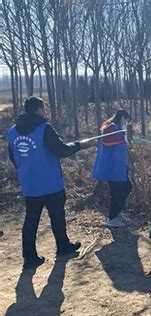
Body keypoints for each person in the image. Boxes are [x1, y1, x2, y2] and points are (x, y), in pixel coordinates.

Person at [7, 97, 84, 269]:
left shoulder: (13, 131)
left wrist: (24, 169)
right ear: (38, 109)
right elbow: (62, 150)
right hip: (50, 183)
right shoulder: (44, 128)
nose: (46, 111)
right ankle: (63, 247)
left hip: (30, 185)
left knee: (31, 219)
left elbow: (12, 155)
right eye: (44, 108)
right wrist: (78, 145)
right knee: (57, 216)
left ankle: (29, 257)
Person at [92, 109, 132, 228]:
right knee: (117, 193)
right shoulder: (111, 127)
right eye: (126, 120)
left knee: (127, 188)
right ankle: (112, 218)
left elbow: (124, 141)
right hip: (112, 168)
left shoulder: (119, 128)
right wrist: (124, 136)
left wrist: (129, 138)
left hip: (119, 167)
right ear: (122, 118)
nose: (126, 122)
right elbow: (107, 140)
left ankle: (116, 213)